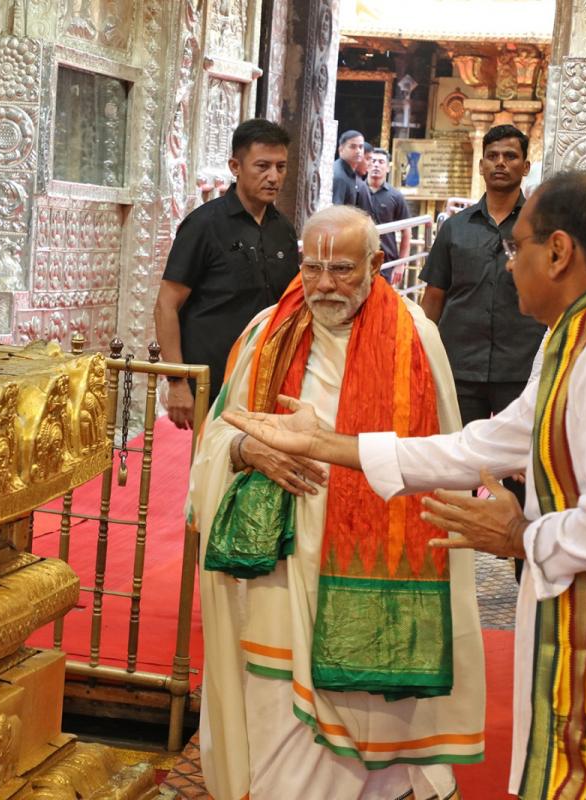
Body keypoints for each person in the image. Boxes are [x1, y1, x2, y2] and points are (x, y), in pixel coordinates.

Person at [225, 171, 586, 798]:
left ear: (558, 252)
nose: (506, 262)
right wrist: (324, 444)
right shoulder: (575, 341)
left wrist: (518, 535)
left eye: (514, 247)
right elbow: (480, 446)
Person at [191, 205, 485, 800]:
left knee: (373, 710)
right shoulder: (265, 332)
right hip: (280, 564)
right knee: (277, 705)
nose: (324, 284)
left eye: (342, 270)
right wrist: (249, 449)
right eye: (313, 267)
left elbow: (445, 457)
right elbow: (217, 434)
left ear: (377, 265)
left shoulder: (417, 338)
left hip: (379, 564)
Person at [154, 118, 299, 429]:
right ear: (235, 166)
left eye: (281, 167)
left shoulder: (283, 229)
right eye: (262, 166)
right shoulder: (204, 225)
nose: (273, 176)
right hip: (213, 379)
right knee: (211, 471)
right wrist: (178, 382)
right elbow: (167, 304)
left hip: (267, 376)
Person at [420, 124, 545, 427]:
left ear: (525, 166)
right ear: (481, 165)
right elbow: (434, 297)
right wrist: (421, 354)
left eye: (510, 156)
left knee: (516, 467)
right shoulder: (455, 227)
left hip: (520, 367)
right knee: (455, 460)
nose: (500, 163)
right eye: (492, 156)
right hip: (459, 364)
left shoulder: (541, 228)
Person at [365, 147, 412, 280]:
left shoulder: (395, 196)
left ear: (388, 168)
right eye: (373, 161)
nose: (376, 165)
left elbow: (406, 231)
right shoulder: (357, 191)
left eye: (381, 162)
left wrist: (400, 264)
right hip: (360, 258)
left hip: (386, 262)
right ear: (367, 164)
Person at [331, 130, 373, 212]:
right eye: (353, 147)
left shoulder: (351, 174)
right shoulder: (339, 176)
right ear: (341, 150)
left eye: (361, 147)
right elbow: (335, 214)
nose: (358, 151)